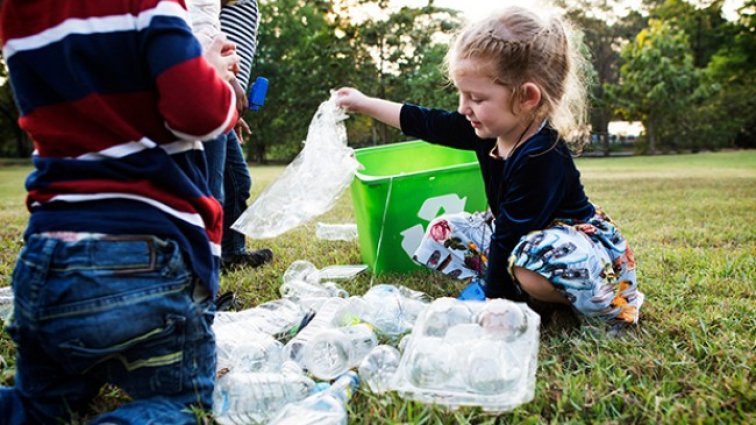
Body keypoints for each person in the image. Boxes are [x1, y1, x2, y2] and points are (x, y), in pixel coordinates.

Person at [0, 0, 239, 423]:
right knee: (181, 405)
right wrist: (216, 78)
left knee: (39, 405)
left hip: (47, 254)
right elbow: (197, 113)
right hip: (144, 255)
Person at [335, 6, 644, 326]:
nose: (463, 108)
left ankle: (604, 304)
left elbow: (510, 236)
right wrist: (363, 103)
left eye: (477, 98)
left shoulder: (541, 155)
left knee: (526, 265)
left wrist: (496, 306)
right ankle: (524, 291)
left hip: (571, 248)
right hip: (520, 238)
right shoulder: (487, 129)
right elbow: (427, 122)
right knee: (442, 232)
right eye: (461, 94)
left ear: (527, 97)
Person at [188, 0, 273, 271]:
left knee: (238, 181)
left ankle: (232, 253)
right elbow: (203, 32)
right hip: (210, 90)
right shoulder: (205, 7)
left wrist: (234, 112)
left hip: (225, 103)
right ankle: (204, 264)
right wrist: (231, 84)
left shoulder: (246, 7)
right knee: (212, 189)